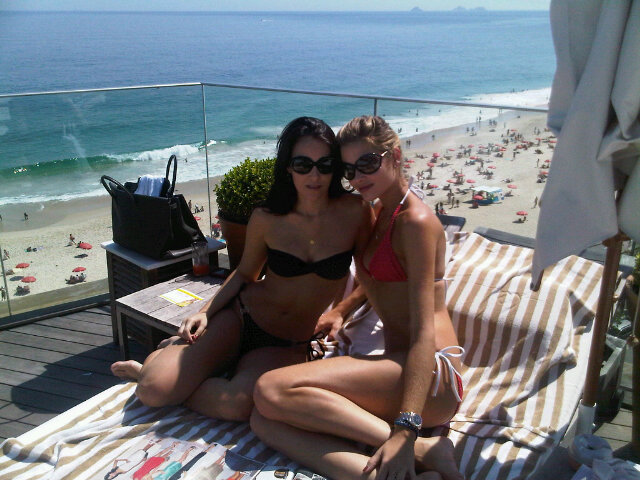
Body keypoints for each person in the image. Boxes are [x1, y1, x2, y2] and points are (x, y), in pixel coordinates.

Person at [110, 116, 371, 422]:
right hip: (242, 316)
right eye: (303, 164)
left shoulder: (356, 213)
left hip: (287, 343)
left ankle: (176, 374)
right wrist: (205, 312)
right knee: (153, 391)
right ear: (288, 167)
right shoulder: (268, 217)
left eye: (324, 165)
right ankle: (155, 371)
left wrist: (339, 312)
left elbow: (373, 277)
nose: (315, 175)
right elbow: (246, 273)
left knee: (238, 406)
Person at [251, 115, 464, 480]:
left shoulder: (415, 222)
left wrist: (406, 428)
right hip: (399, 370)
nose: (358, 177)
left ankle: (421, 447)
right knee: (264, 419)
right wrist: (341, 311)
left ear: (395, 156)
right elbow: (381, 282)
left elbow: (423, 331)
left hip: (431, 375)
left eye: (367, 163)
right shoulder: (379, 212)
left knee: (270, 388)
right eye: (349, 169)